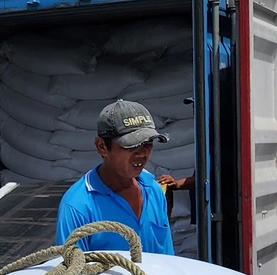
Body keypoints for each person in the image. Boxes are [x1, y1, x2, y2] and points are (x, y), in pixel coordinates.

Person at [56, 101, 184, 254]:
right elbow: (71, 273)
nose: (142, 153)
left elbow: (166, 258)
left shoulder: (154, 191)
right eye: (131, 145)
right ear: (102, 146)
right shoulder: (77, 207)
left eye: (148, 144)